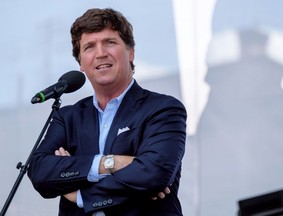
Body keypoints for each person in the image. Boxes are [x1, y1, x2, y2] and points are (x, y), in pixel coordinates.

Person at [28, 8, 187, 216]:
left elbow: (153, 174)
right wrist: (111, 163)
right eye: (89, 47)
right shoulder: (67, 118)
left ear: (131, 52)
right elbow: (40, 171)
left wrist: (80, 195)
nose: (100, 53)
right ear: (81, 64)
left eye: (110, 42)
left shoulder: (163, 109)